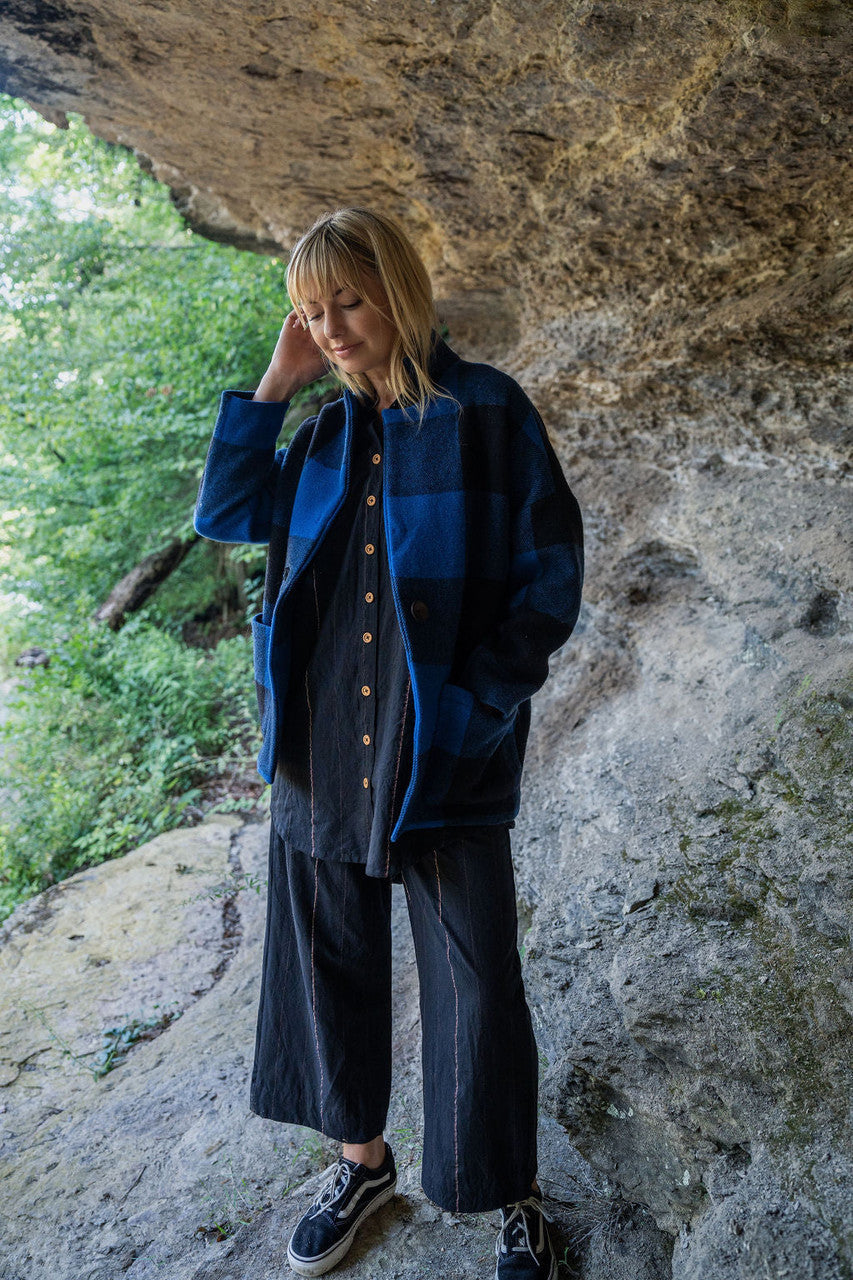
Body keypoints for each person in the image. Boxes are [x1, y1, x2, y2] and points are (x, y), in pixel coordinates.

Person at [193, 207, 583, 1279]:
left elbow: (549, 584)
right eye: (309, 313)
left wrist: (469, 714)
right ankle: (361, 1161)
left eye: (346, 301)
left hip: (441, 755)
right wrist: (273, 385)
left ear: (399, 289)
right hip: (321, 746)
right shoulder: (316, 434)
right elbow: (225, 512)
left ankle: (509, 1194)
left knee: (475, 985)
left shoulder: (488, 412)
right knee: (326, 966)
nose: (328, 327)